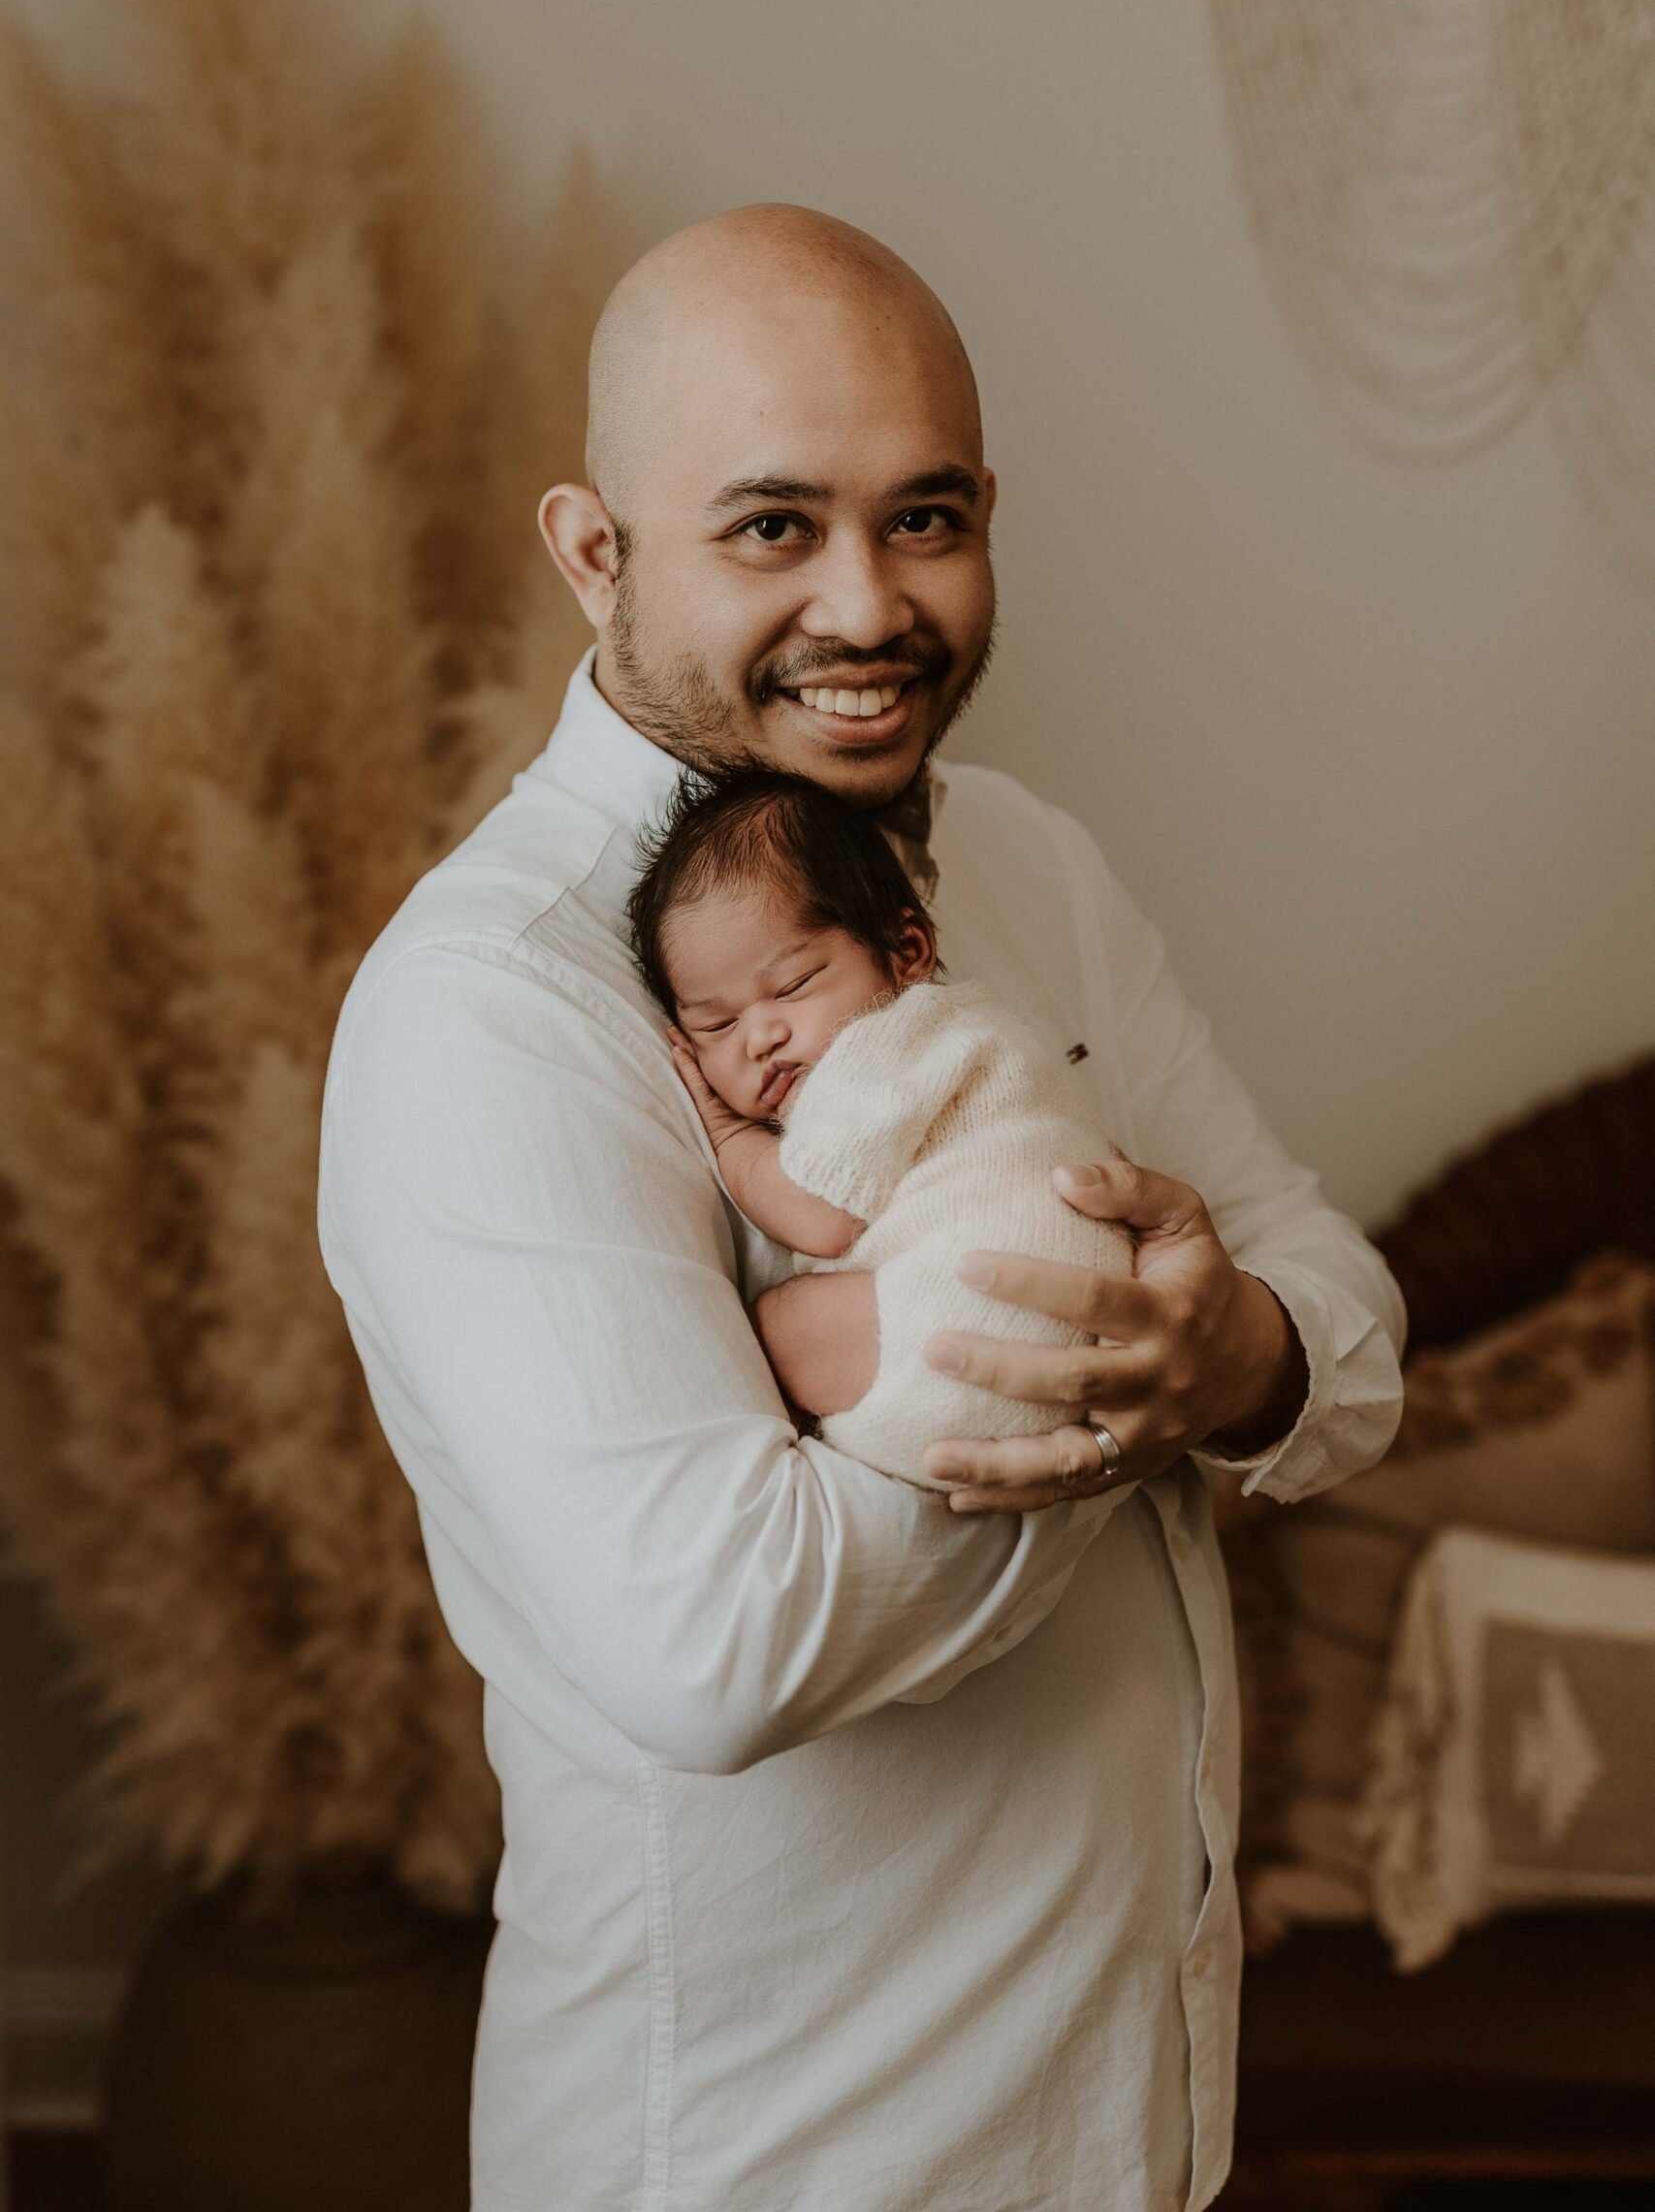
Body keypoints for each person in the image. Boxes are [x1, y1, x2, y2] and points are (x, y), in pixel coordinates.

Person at [317, 201, 1406, 2212]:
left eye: (921, 516)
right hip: (776, 2162)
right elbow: (717, 1641)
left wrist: (1227, 1350)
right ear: (592, 551)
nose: (865, 600)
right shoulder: (492, 1005)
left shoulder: (1021, 860)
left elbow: (1333, 1323)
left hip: (1130, 2135)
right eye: (767, 526)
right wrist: (1113, 1384)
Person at [623, 758, 1139, 1487]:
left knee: (776, 1323)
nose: (759, 1036)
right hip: (1077, 1341)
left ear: (906, 954)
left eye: (794, 984)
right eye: (716, 1023)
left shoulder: (886, 1041)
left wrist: (727, 1130)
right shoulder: (984, 1028)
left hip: (973, 1327)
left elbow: (820, 1215)